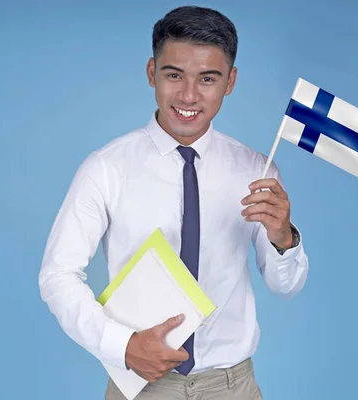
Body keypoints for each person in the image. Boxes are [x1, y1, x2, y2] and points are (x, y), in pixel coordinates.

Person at [39, 5, 309, 399]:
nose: (188, 95)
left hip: (232, 386)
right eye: (173, 75)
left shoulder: (256, 170)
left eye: (208, 79)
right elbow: (57, 275)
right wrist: (123, 346)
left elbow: (285, 287)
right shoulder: (106, 168)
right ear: (152, 73)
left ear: (230, 81)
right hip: (142, 384)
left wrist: (284, 238)